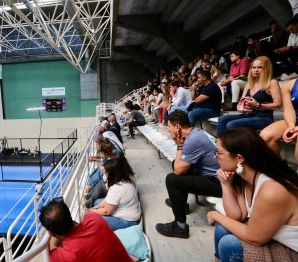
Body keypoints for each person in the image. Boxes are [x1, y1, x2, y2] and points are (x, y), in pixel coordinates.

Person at [207, 127, 298, 261]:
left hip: (293, 250)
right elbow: (237, 216)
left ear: (239, 158)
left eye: (218, 152)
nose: (215, 157)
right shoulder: (246, 177)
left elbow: (254, 238)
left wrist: (215, 215)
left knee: (229, 244)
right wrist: (225, 185)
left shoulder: (271, 190)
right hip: (276, 237)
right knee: (222, 229)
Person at [155, 110, 222, 239]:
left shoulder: (193, 140)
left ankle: (180, 226)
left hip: (221, 183)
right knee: (177, 162)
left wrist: (179, 145)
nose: (167, 129)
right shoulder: (196, 132)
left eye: (169, 126)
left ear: (177, 127)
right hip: (216, 177)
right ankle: (180, 204)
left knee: (172, 179)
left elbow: (178, 171)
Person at [39, 197, 133, 262]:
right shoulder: (94, 218)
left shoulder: (68, 255)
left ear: (52, 233)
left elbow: (53, 248)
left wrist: (53, 236)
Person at [217, 56, 282, 137]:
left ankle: (231, 148)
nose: (256, 70)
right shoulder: (249, 84)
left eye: (260, 67)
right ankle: (220, 145)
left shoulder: (272, 82)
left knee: (231, 124)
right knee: (222, 119)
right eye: (253, 67)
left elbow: (279, 105)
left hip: (264, 117)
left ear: (266, 69)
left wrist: (258, 105)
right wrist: (241, 107)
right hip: (249, 114)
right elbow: (240, 104)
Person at [89, 157, 141, 231]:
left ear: (112, 173)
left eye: (105, 171)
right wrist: (98, 206)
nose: (104, 173)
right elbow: (107, 199)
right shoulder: (124, 179)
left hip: (128, 221)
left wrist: (90, 212)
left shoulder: (117, 188)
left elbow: (107, 211)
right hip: (130, 212)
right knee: (97, 202)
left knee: (94, 220)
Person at [260, 77, 298, 162]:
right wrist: (291, 125)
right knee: (265, 136)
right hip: (294, 119)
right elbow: (289, 109)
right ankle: (280, 168)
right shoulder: (288, 85)